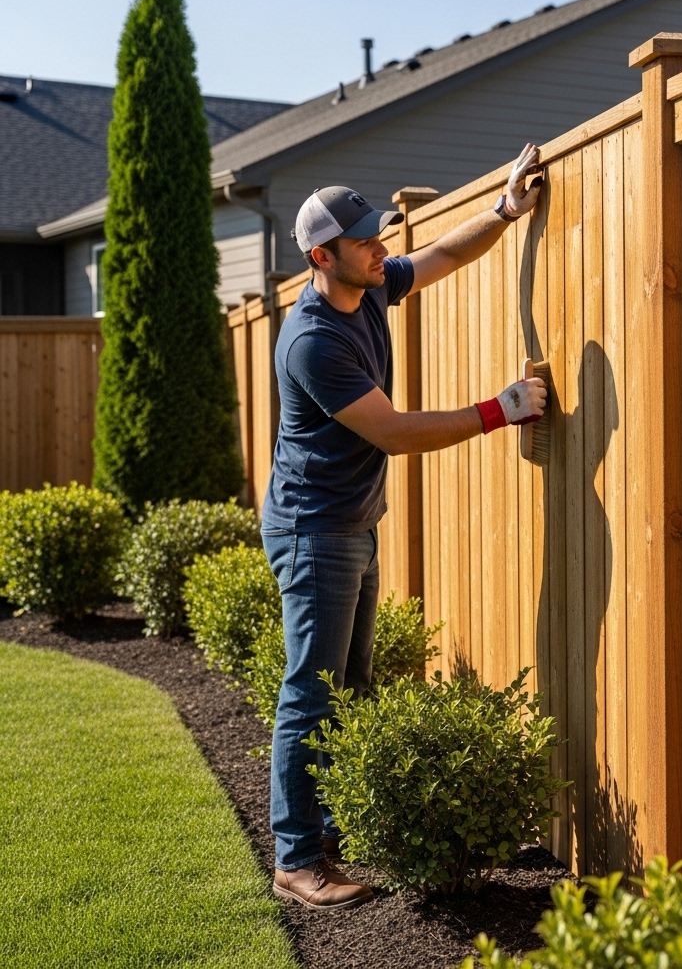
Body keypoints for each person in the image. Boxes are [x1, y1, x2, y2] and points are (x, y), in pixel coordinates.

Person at [262, 144, 547, 910]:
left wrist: (502, 210)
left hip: (350, 521)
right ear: (323, 257)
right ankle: (296, 861)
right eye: (363, 241)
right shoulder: (315, 340)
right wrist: (500, 409)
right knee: (312, 694)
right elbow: (393, 433)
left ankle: (333, 829)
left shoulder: (369, 288)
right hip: (312, 529)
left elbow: (439, 256)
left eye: (377, 235)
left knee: (352, 685)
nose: (380, 248)